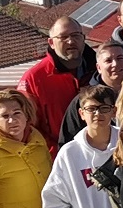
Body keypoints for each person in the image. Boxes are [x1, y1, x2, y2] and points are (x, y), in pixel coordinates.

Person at [19, 17, 91, 152]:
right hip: (56, 157)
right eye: (63, 37)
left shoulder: (101, 69)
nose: (71, 41)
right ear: (51, 42)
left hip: (100, 154)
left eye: (76, 35)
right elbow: (26, 127)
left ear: (83, 38)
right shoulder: (35, 78)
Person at [59, 42, 123, 147]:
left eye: (120, 58)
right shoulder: (84, 100)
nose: (115, 64)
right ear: (99, 67)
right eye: (108, 61)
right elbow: (67, 141)